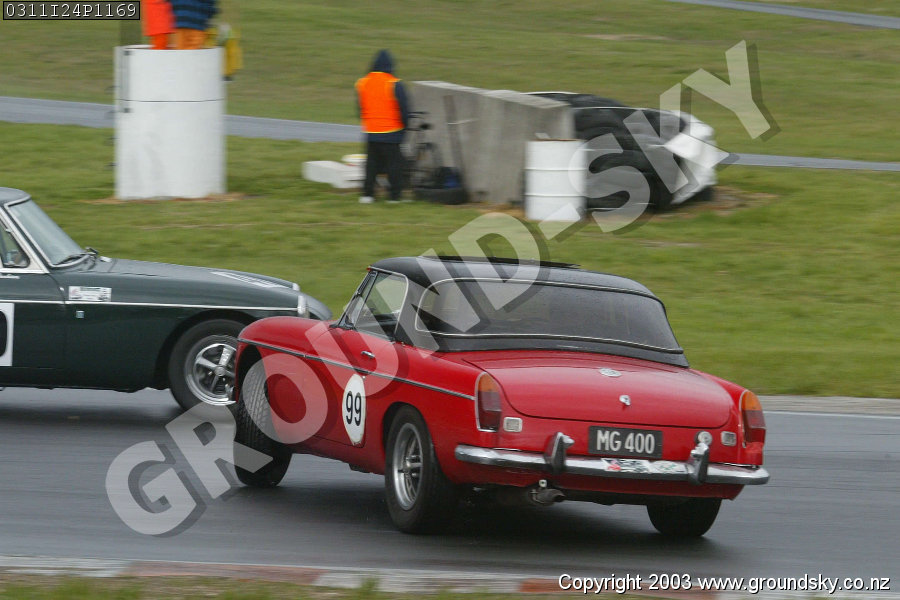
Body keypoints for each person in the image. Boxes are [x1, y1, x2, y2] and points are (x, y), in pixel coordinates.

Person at [355, 49, 410, 204]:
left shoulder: (362, 83)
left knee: (371, 165)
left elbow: (360, 109)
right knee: (394, 166)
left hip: (371, 131)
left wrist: (369, 123)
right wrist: (404, 127)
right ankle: (394, 197)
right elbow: (404, 109)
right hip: (392, 131)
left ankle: (367, 195)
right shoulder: (394, 84)